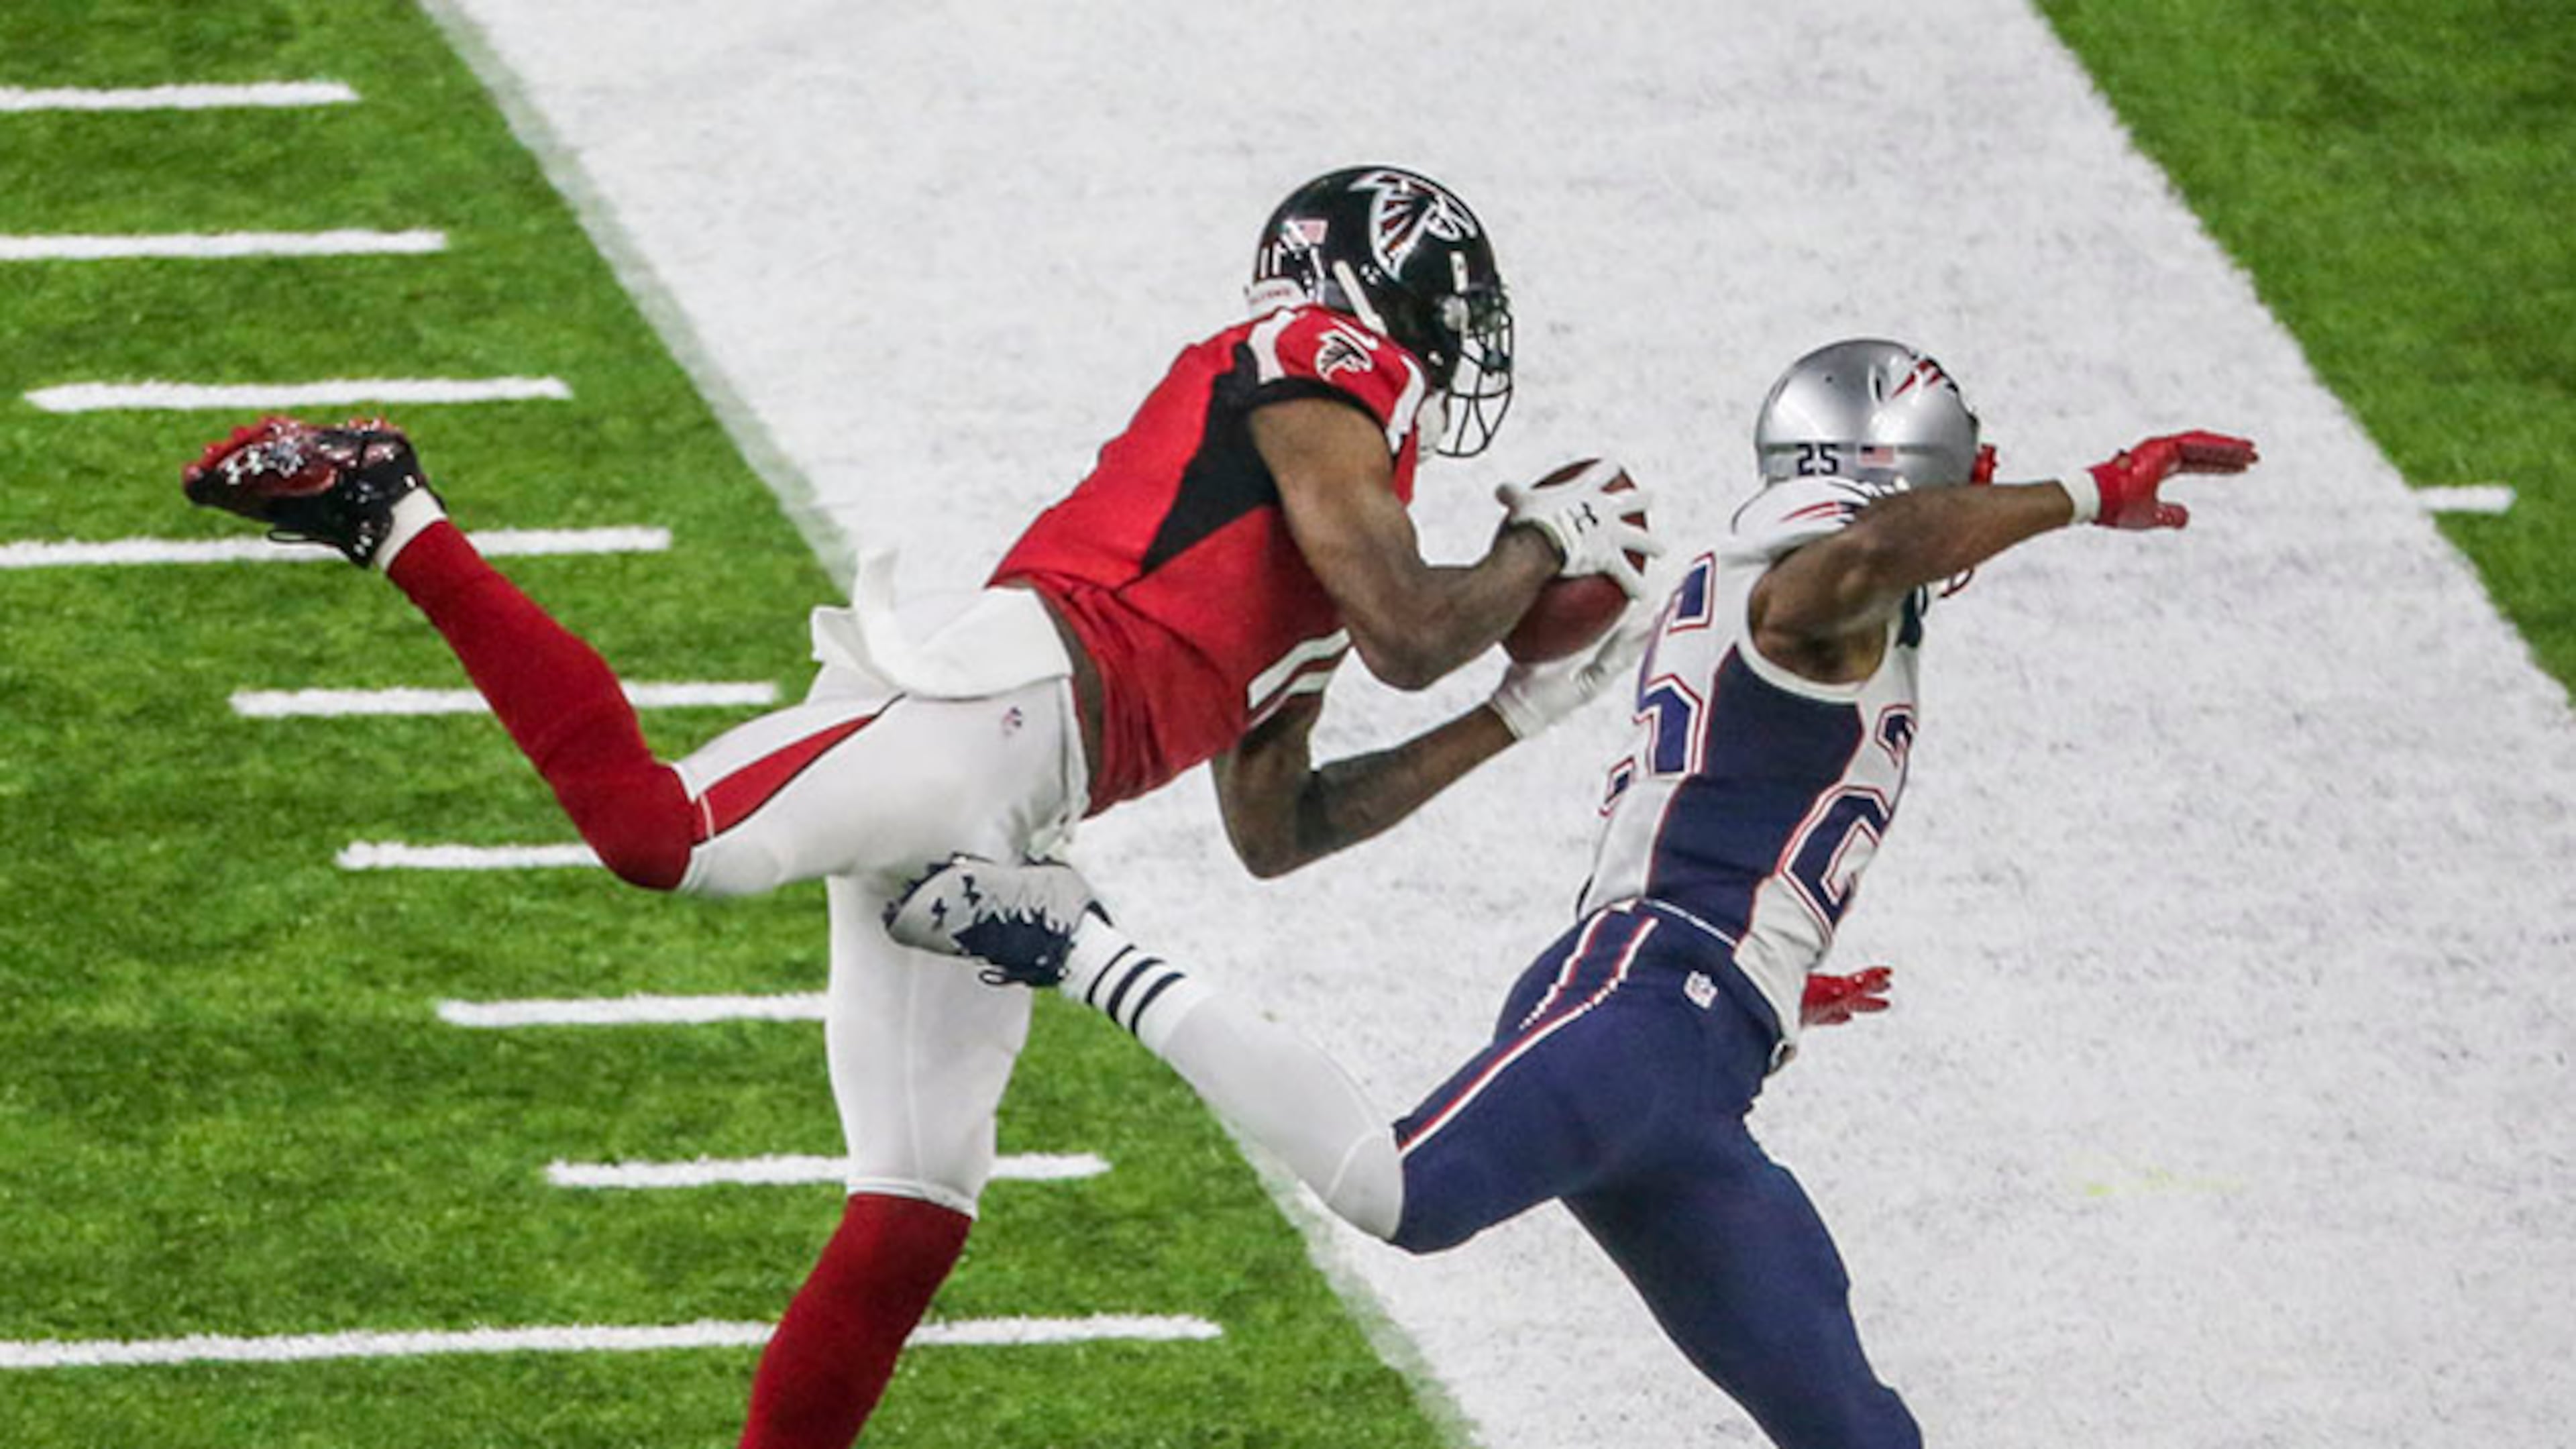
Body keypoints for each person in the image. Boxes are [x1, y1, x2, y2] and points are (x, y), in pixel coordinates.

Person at [178, 166, 1660, 1449]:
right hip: (982, 706)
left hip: (1027, 802)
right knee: (661, 835)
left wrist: (1510, 714)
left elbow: (1281, 831)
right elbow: (1415, 624)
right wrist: (1536, 544)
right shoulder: (1318, 353)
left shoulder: (1348, 525)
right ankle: (394, 512)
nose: (1452, 351)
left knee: (914, 1205)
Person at [882, 339, 2259, 1448]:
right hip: (1646, 1003)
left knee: (1854, 1433)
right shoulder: (1819, 588)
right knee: (1405, 1191)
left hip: (1699, 1035)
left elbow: (1719, 799)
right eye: (1952, 495)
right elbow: (1861, 560)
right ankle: (1083, 944)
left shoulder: (1780, 587)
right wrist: (2086, 494)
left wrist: (1770, 967)